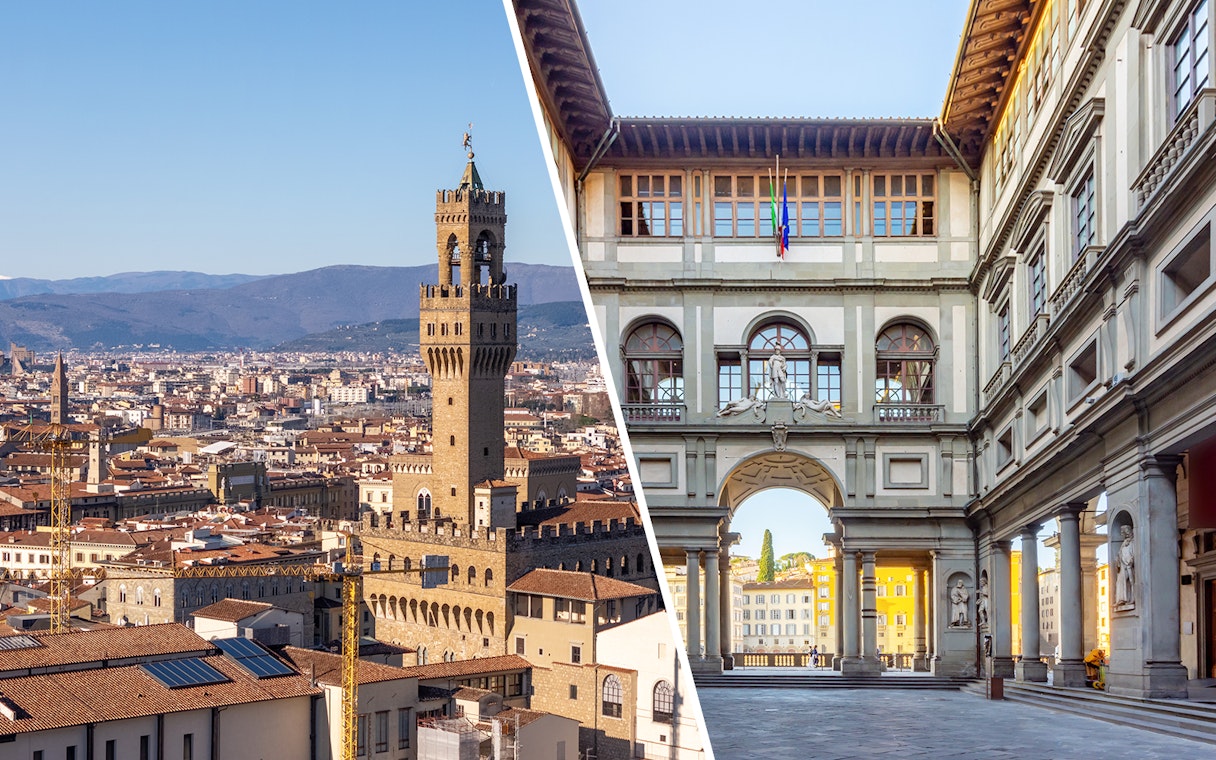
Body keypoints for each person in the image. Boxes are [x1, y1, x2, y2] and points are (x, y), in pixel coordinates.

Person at [1115, 524, 1135, 606]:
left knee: (1131, 581)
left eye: (1124, 532)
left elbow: (1133, 552)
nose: (1123, 534)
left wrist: (1131, 560)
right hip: (1123, 565)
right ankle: (1122, 599)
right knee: (1121, 581)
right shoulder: (1124, 543)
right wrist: (1118, 560)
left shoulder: (1132, 542)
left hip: (1129, 564)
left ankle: (1132, 598)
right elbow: (1120, 553)